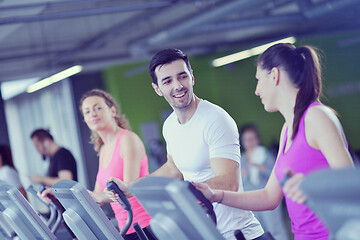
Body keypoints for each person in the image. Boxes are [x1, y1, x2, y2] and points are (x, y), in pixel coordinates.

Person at [193, 43, 355, 240]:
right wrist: (216, 195)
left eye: (258, 80)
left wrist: (313, 186)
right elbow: (269, 197)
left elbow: (352, 187)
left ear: (274, 75)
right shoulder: (287, 130)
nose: (256, 90)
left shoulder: (317, 116)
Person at [106, 49, 265, 240]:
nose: (178, 85)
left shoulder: (215, 119)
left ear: (192, 78)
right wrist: (130, 187)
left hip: (236, 233)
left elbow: (229, 182)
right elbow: (174, 169)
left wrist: (179, 197)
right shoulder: (170, 125)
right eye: (167, 81)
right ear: (157, 89)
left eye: (182, 77)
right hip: (203, 232)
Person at [40, 89, 156, 240]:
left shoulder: (127, 139)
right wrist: (57, 195)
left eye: (98, 108)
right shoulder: (104, 148)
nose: (92, 114)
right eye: (87, 112)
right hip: (126, 228)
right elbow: (96, 196)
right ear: (85, 119)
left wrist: (97, 197)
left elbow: (126, 190)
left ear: (113, 111)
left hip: (145, 225)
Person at [239, 124, 289, 240]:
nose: (250, 142)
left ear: (257, 139)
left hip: (268, 199)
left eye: (252, 139)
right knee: (258, 231)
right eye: (246, 139)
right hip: (251, 201)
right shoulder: (241, 159)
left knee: (275, 229)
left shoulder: (266, 155)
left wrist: (261, 168)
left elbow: (278, 175)